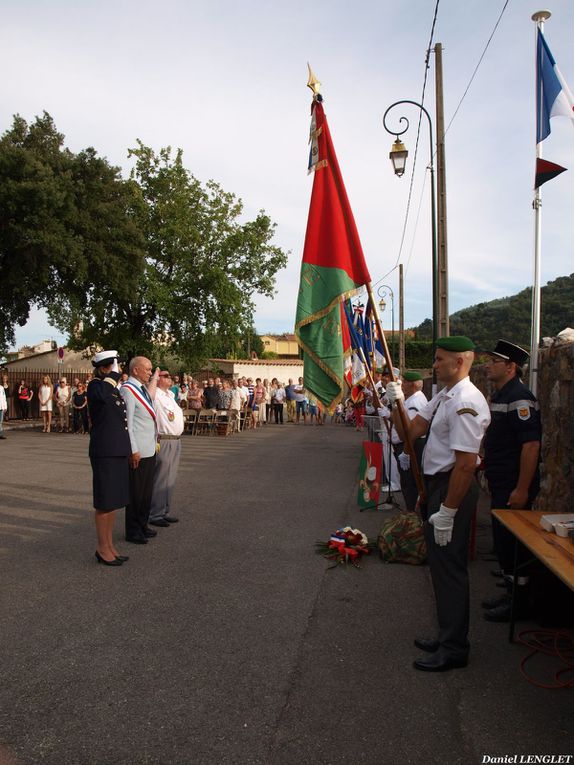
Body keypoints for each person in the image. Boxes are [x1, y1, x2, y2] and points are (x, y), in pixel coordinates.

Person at [387, 336, 490, 672]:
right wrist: (395, 403)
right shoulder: (444, 396)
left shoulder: (466, 401)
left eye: (440, 359)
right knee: (440, 565)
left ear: (460, 362)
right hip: (437, 486)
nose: (434, 365)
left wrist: (447, 511)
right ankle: (448, 634)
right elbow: (410, 431)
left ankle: (455, 648)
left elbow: (465, 463)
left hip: (453, 488)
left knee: (450, 568)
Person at [482, 340, 541, 622]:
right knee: (503, 544)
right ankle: (510, 592)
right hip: (500, 479)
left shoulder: (520, 398)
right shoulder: (502, 395)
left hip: (512, 484)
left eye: (494, 361)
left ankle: (519, 604)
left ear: (510, 367)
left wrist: (521, 488)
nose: (487, 365)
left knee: (512, 545)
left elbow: (530, 446)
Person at [87, 350, 131, 566]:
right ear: (105, 367)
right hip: (104, 451)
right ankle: (102, 548)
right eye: (116, 366)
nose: (119, 370)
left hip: (117, 450)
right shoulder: (96, 385)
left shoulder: (111, 388)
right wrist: (112, 376)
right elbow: (101, 396)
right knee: (105, 502)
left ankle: (109, 545)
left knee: (113, 502)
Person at [120, 357, 159, 545]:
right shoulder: (128, 390)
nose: (150, 373)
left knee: (146, 492)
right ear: (135, 370)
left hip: (149, 448)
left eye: (151, 369)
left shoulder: (142, 389)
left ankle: (143, 524)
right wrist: (133, 449)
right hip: (138, 451)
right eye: (147, 369)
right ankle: (133, 530)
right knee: (136, 493)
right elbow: (127, 423)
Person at [149, 371, 185, 527]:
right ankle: (155, 513)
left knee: (170, 478)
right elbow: (149, 395)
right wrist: (155, 377)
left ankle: (164, 511)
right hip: (164, 439)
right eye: (165, 375)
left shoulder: (169, 394)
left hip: (175, 440)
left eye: (169, 375)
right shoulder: (155, 393)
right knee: (161, 478)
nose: (169, 377)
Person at [394, 371, 428, 513]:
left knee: (410, 483)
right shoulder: (413, 398)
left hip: (412, 446)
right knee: (408, 481)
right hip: (410, 445)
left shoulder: (415, 401)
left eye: (405, 382)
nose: (402, 385)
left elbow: (411, 432)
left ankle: (411, 514)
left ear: (413, 385)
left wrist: (406, 452)